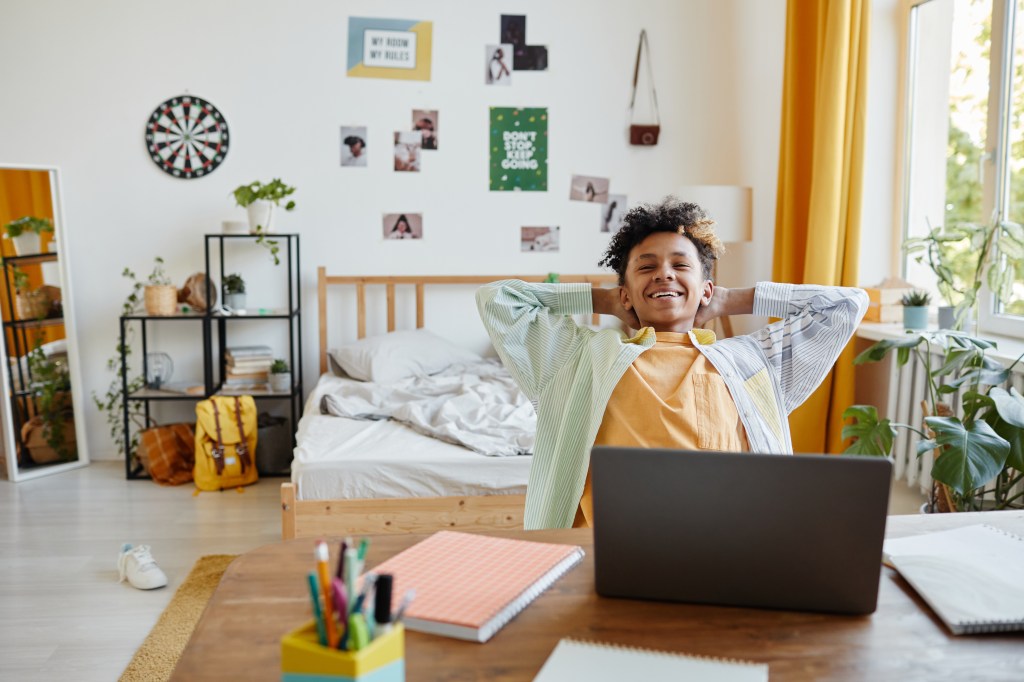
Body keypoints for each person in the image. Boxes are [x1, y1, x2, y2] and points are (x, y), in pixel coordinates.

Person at [477, 197, 868, 530]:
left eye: (680, 266)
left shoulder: (750, 361)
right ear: (626, 294)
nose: (663, 272)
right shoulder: (580, 357)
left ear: (706, 290)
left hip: (723, 543)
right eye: (646, 267)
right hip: (605, 546)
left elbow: (844, 305)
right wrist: (605, 300)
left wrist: (733, 300)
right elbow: (498, 300)